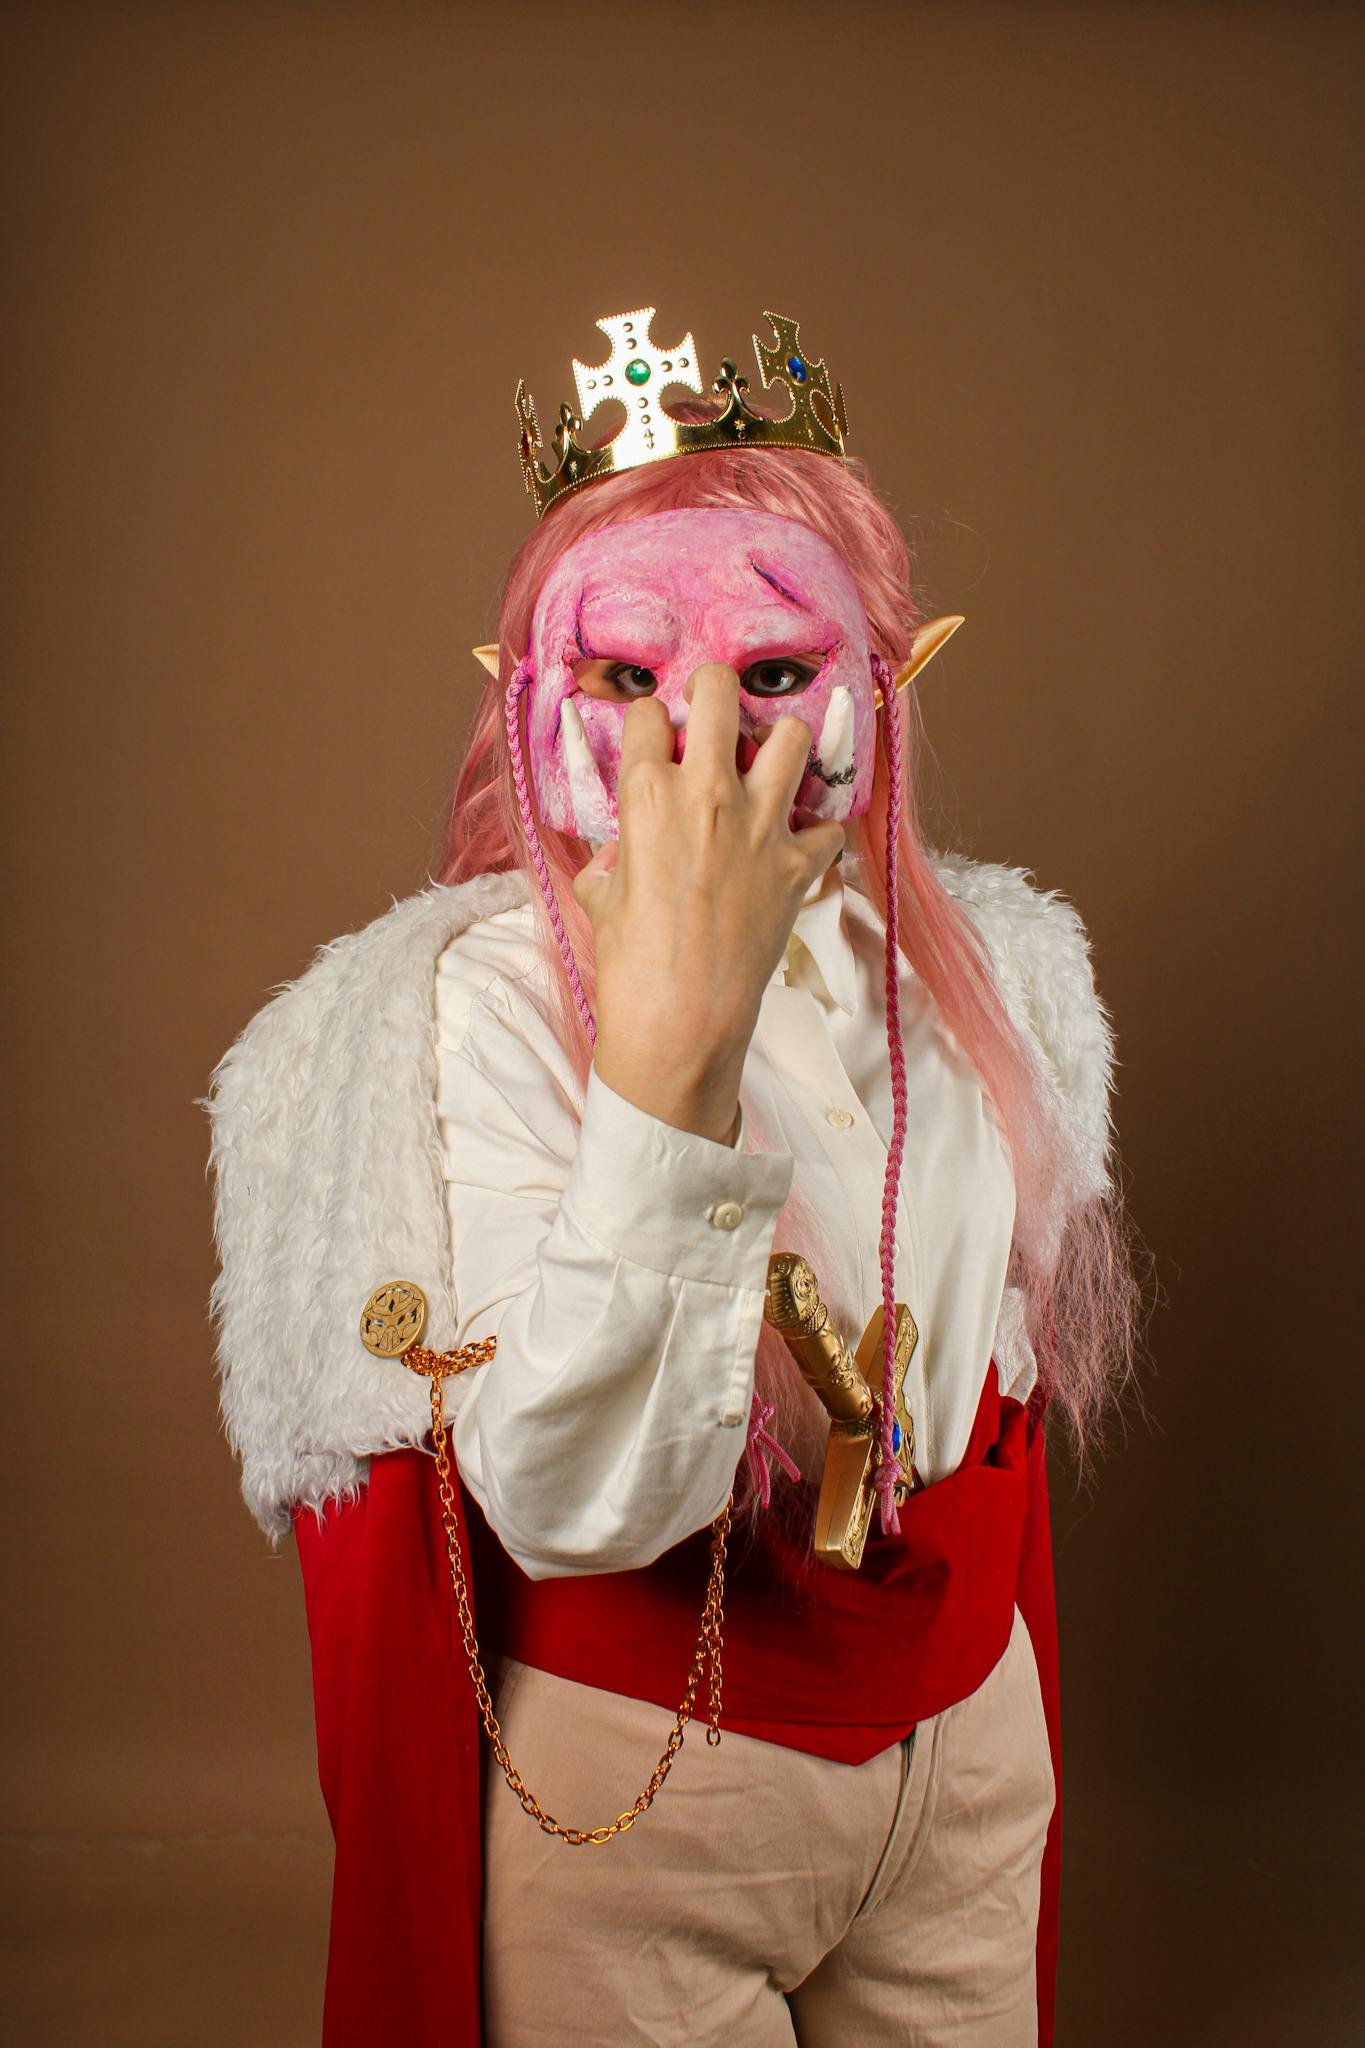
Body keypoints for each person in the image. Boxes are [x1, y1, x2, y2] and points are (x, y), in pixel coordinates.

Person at [206, 307, 1141, 2048]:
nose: (699, 751)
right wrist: (668, 1055)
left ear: (884, 675)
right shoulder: (459, 1013)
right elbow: (567, 1506)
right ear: (531, 698)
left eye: (774, 675)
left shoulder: (994, 977)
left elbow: (989, 1394)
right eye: (628, 680)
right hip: (647, 1790)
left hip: (962, 1752)